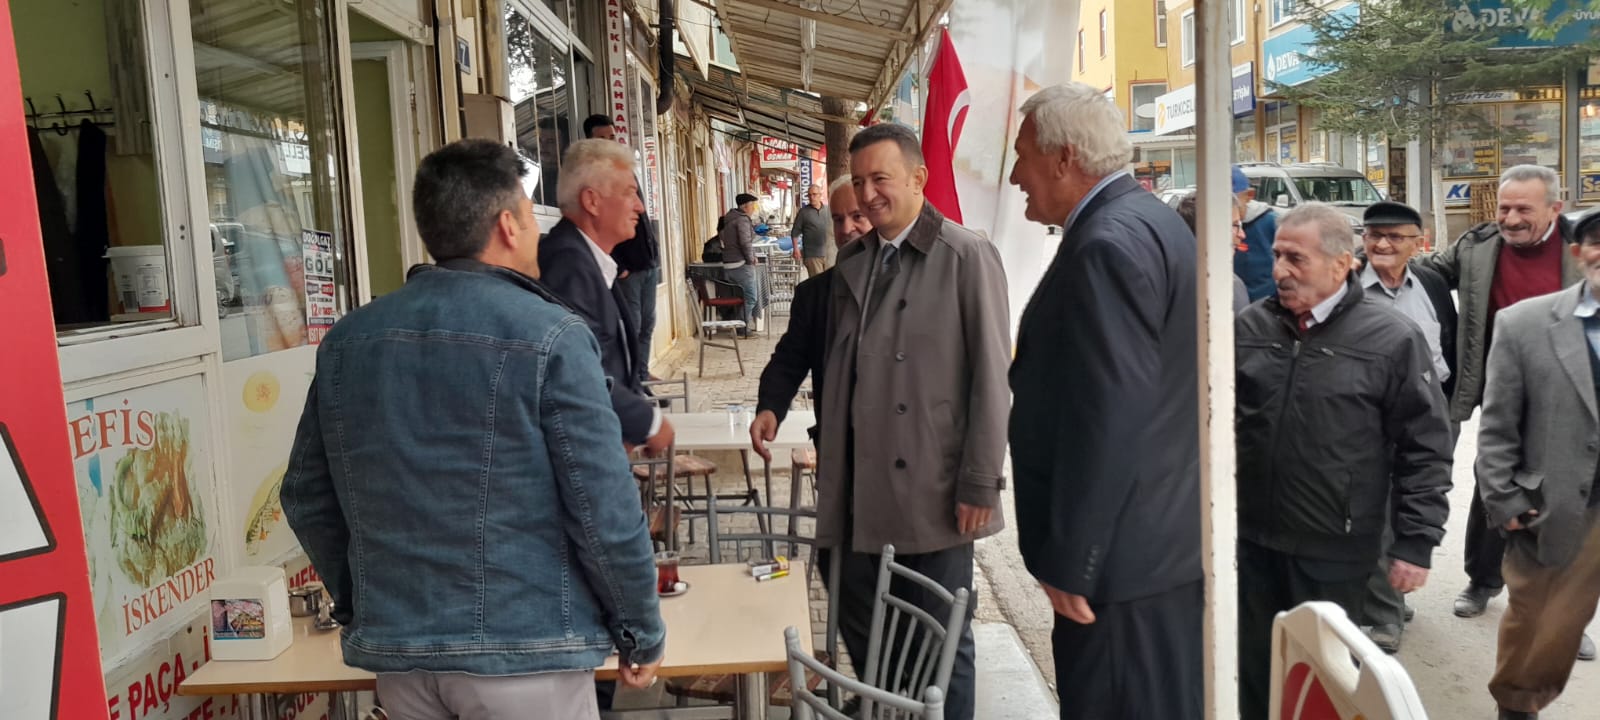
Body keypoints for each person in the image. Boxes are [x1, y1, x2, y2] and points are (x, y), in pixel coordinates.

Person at [280, 139, 664, 720]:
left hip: (404, 662)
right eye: (532, 216)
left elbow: (306, 493)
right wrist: (640, 628)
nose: (539, 231)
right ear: (507, 224)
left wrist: (366, 602)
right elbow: (602, 504)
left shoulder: (349, 341)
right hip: (528, 653)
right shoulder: (552, 336)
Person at [1007, 82, 1204, 719]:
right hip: (1153, 549)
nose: (1015, 176)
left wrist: (1076, 559)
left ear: (1063, 158)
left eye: (1023, 156)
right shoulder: (1146, 220)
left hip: (1121, 566)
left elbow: (1111, 415)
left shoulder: (1106, 244)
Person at [814, 122, 1011, 720]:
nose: (869, 194)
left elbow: (993, 378)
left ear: (919, 178)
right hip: (859, 484)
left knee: (942, 638)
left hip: (934, 486)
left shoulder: (965, 255)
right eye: (859, 180)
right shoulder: (856, 261)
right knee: (872, 625)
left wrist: (981, 481)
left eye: (882, 178)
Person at [1235, 202, 1453, 720]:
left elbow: (1425, 447)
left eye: (1296, 258)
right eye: (1277, 256)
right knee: (1252, 673)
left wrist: (1415, 543)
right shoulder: (1250, 325)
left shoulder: (1392, 340)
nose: (1280, 270)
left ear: (1341, 264)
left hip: (1334, 549)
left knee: (1321, 683)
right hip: (1250, 542)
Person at [1406, 165, 1586, 626]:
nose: (1510, 218)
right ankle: (1482, 580)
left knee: (1566, 491)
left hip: (1567, 387)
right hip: (1494, 382)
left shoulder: (1582, 247)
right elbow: (1421, 273)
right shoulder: (1477, 246)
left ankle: (1562, 611)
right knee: (1494, 479)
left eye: (1523, 209)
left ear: (1555, 208)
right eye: (1504, 208)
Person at [1477, 210, 1600, 720]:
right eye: (1597, 243)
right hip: (1561, 507)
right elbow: (1498, 424)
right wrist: (1505, 500)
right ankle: (1517, 709)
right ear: (1578, 254)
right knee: (1538, 631)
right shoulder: (1524, 323)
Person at [1354, 200, 1459, 653]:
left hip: (1428, 418)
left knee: (1413, 510)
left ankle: (1391, 593)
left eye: (1395, 237)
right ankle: (1383, 614)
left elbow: (1448, 345)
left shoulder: (1432, 284)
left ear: (1419, 243)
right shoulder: (1347, 284)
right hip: (1368, 420)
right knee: (1376, 515)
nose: (1382, 244)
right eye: (1374, 235)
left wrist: (1451, 410)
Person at [537, 138, 675, 456]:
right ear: (592, 201)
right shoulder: (567, 264)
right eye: (629, 192)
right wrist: (649, 422)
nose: (639, 206)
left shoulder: (589, 258)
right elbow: (579, 372)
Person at [750, 174, 872, 461]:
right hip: (839, 452)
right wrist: (770, 408)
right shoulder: (814, 294)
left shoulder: (911, 290)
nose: (847, 229)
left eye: (858, 216)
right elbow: (789, 360)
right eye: (839, 219)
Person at [583, 114, 661, 383]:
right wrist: (619, 265)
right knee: (631, 325)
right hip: (627, 268)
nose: (608, 143)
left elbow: (639, 212)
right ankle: (631, 383)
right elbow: (593, 224)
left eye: (611, 137)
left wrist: (653, 253)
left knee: (648, 325)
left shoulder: (624, 170)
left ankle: (642, 373)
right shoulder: (591, 178)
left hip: (648, 262)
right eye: (601, 138)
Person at [1175, 192, 1251, 314]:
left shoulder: (1168, 280)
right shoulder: (1229, 286)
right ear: (1211, 228)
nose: (1242, 234)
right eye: (1235, 225)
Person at [1233, 164, 1280, 301]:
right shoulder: (1213, 226)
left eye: (1235, 200)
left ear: (1249, 195)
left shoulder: (1271, 222)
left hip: (1267, 304)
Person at [718, 193, 762, 338]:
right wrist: (751, 259)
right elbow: (745, 242)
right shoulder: (742, 220)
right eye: (752, 205)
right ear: (745, 206)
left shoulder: (729, 219)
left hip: (729, 264)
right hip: (740, 264)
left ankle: (737, 324)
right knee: (751, 297)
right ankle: (741, 327)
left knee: (740, 297)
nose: (754, 208)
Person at [792, 183, 832, 277]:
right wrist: (796, 249)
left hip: (829, 253)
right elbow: (795, 232)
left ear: (820, 195)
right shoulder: (803, 212)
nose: (812, 197)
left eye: (814, 194)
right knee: (818, 284)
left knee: (831, 283)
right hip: (812, 255)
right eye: (809, 195)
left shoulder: (828, 210)